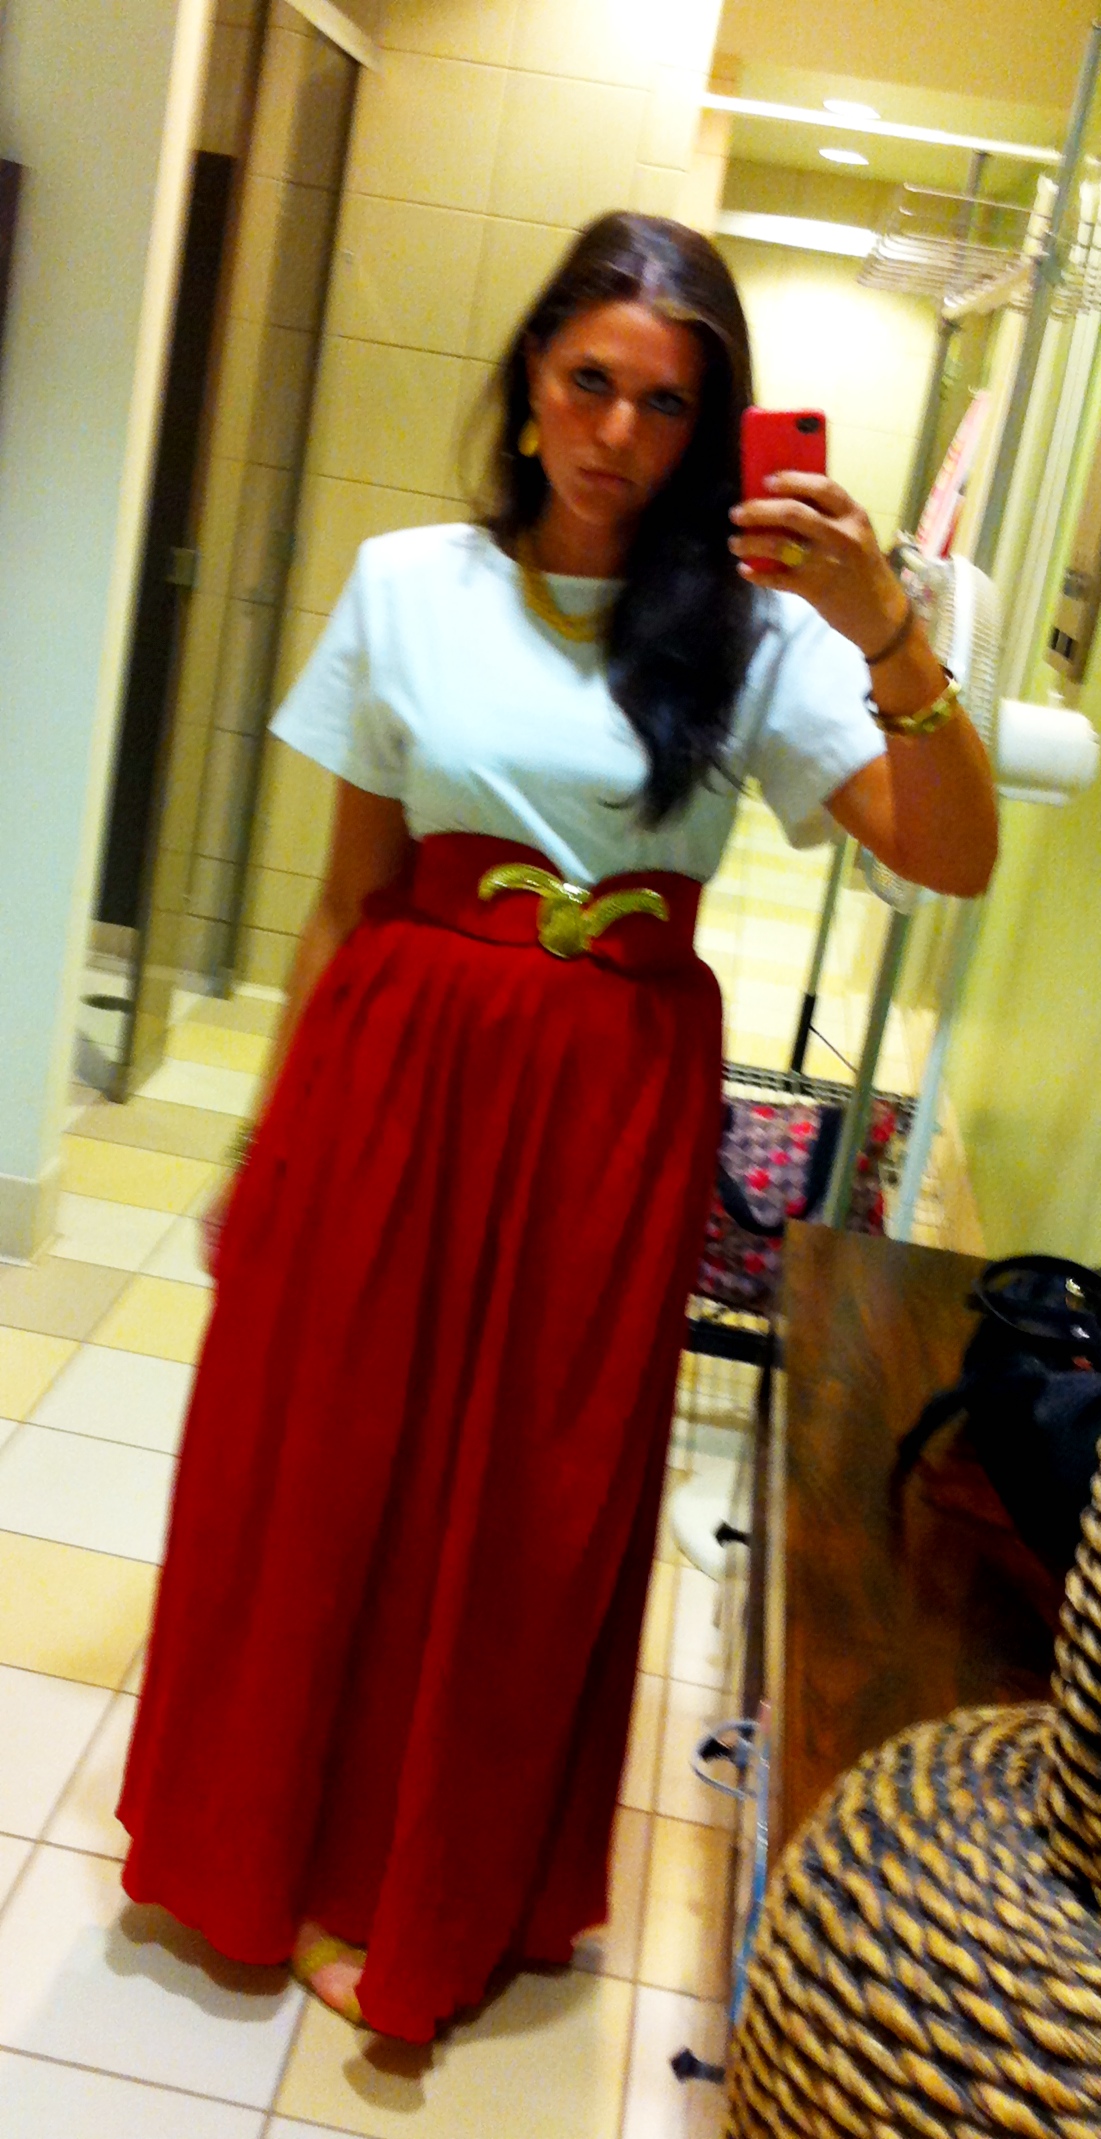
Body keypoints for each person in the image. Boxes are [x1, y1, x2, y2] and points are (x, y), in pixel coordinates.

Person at [118, 212, 997, 2043]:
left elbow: (953, 853)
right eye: (590, 382)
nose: (616, 433)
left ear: (710, 430)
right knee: (328, 1463)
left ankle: (442, 1883)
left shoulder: (756, 637)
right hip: (392, 1070)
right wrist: (264, 1143)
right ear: (530, 380)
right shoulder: (406, 583)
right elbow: (347, 896)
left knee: (531, 1496)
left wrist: (889, 633)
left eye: (666, 405)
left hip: (606, 1101)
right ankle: (267, 1848)